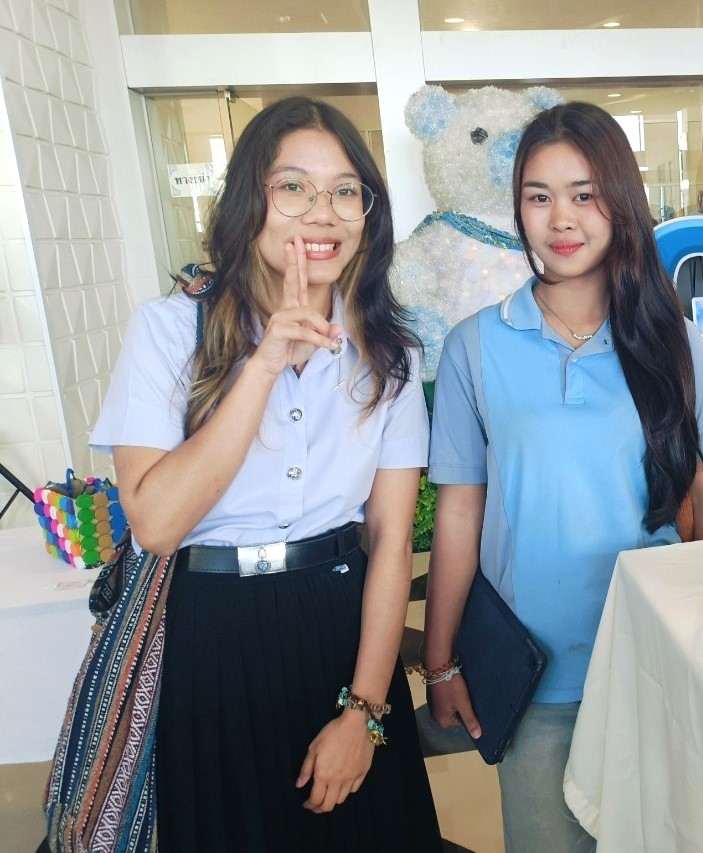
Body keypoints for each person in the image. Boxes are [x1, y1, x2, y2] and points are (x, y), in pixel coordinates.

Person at [88, 97, 443, 851]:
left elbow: (389, 540)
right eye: (293, 187)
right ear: (250, 201)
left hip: (342, 628)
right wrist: (263, 363)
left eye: (345, 190)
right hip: (210, 638)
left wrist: (364, 711)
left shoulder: (391, 354)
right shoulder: (168, 331)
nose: (323, 212)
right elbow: (157, 524)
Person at [422, 101, 703, 851]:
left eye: (584, 194)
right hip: (535, 679)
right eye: (539, 196)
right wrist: (438, 662)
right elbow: (460, 515)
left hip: (654, 667)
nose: (560, 218)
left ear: (620, 203)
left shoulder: (673, 343)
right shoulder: (475, 346)